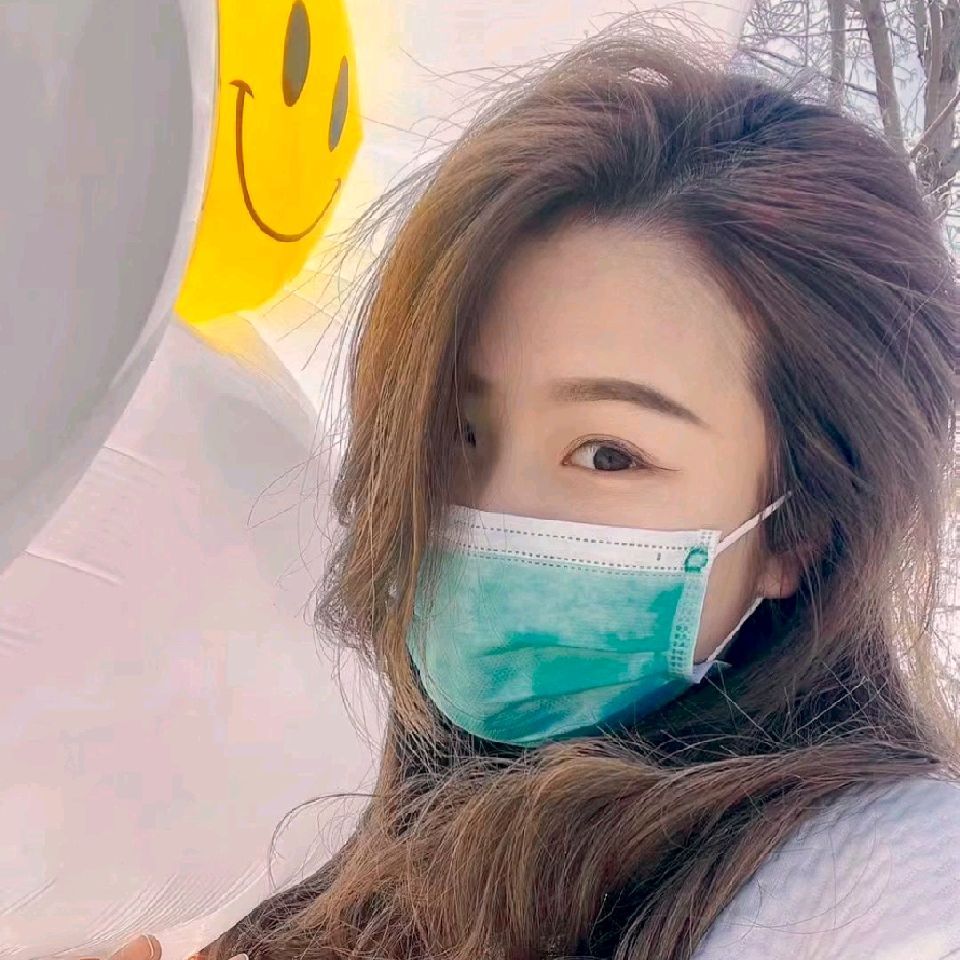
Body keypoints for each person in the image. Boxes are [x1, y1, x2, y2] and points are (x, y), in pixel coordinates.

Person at [107, 12, 960, 960]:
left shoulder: (864, 877)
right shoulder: (309, 818)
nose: (486, 514)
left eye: (608, 454)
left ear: (802, 528)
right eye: (458, 431)